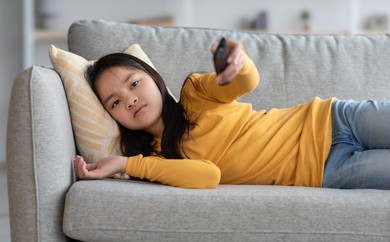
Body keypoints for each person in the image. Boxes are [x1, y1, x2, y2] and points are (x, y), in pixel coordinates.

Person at [74, 39, 390, 190]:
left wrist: (235, 67)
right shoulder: (158, 160)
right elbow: (209, 176)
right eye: (115, 103)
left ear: (154, 79)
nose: (129, 100)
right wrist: (127, 163)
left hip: (332, 118)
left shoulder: (195, 93)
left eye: (134, 83)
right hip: (327, 170)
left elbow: (246, 81)